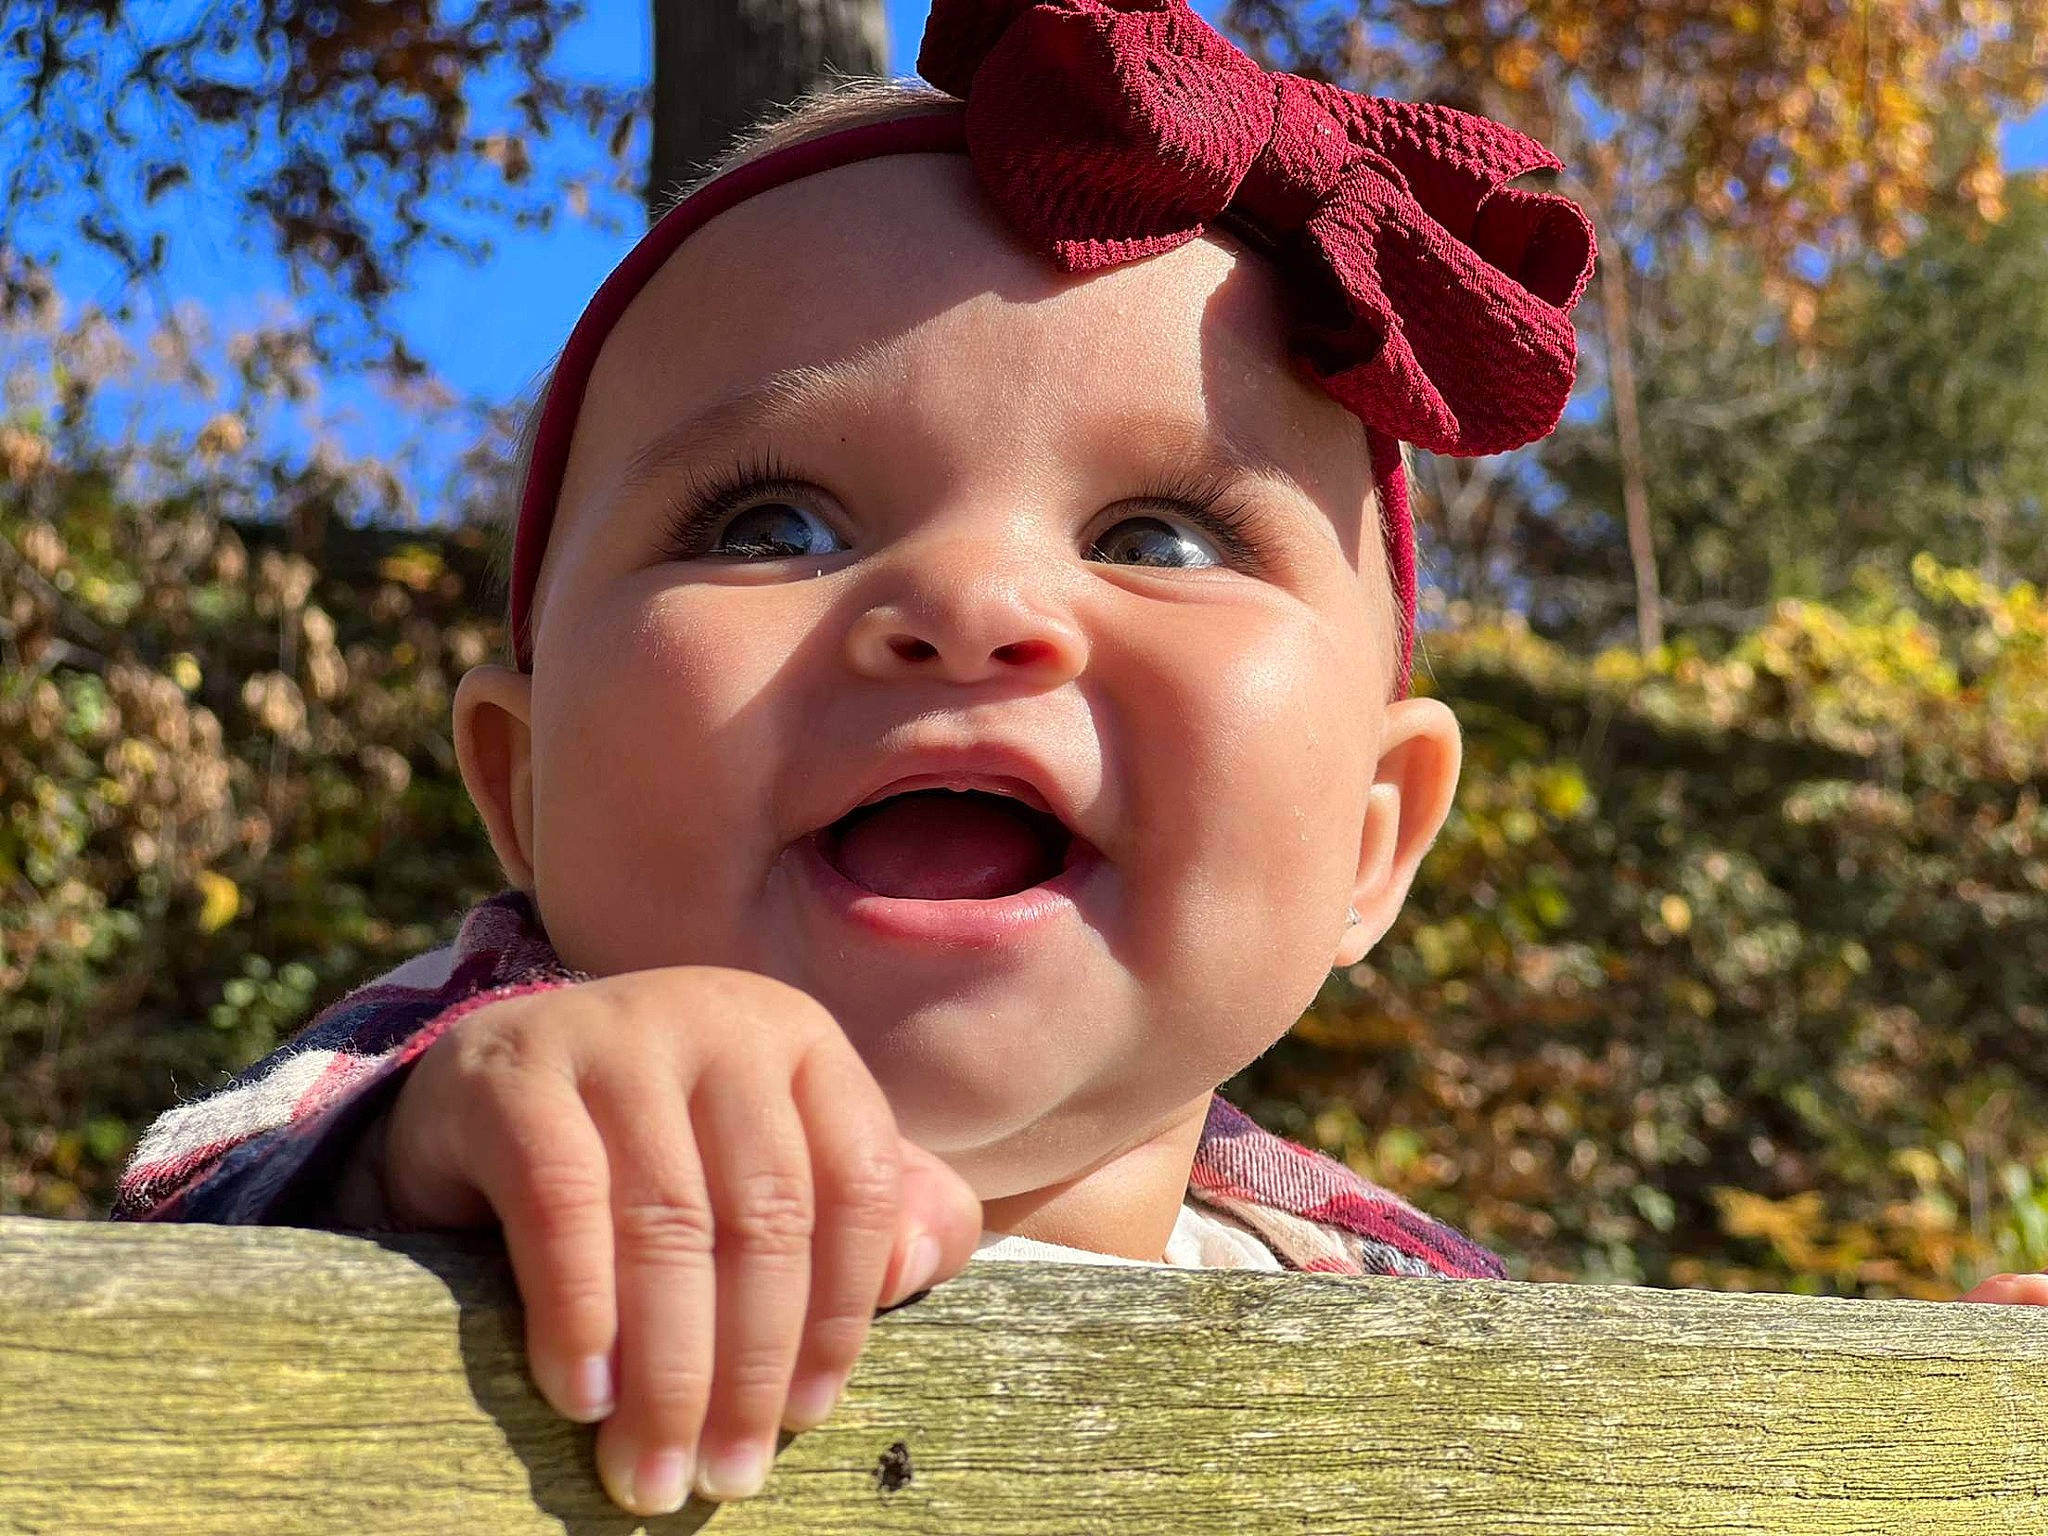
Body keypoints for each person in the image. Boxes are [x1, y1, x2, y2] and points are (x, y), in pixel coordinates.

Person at [112, 0, 1606, 1516]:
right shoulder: (454, 1132)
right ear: (524, 782)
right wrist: (430, 1161)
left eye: (1159, 537)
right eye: (772, 527)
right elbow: (144, 1321)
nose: (971, 605)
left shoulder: (1456, 1352)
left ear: (1374, 840)